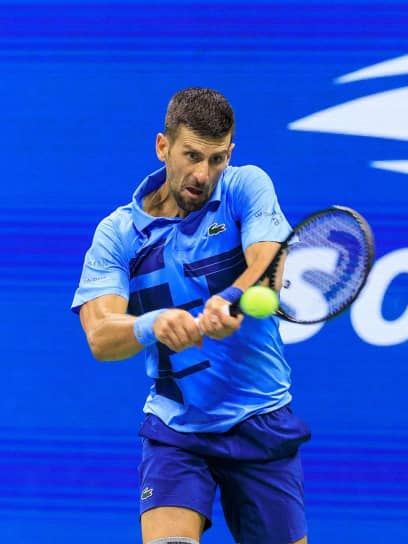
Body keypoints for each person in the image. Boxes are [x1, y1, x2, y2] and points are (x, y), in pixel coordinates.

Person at [71, 87, 310, 544]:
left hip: (260, 416)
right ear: (163, 147)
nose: (204, 174)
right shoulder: (118, 234)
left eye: (217, 159)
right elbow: (100, 337)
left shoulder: (246, 186)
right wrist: (152, 323)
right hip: (176, 428)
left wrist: (232, 297)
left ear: (231, 154)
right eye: (192, 156)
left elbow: (270, 264)